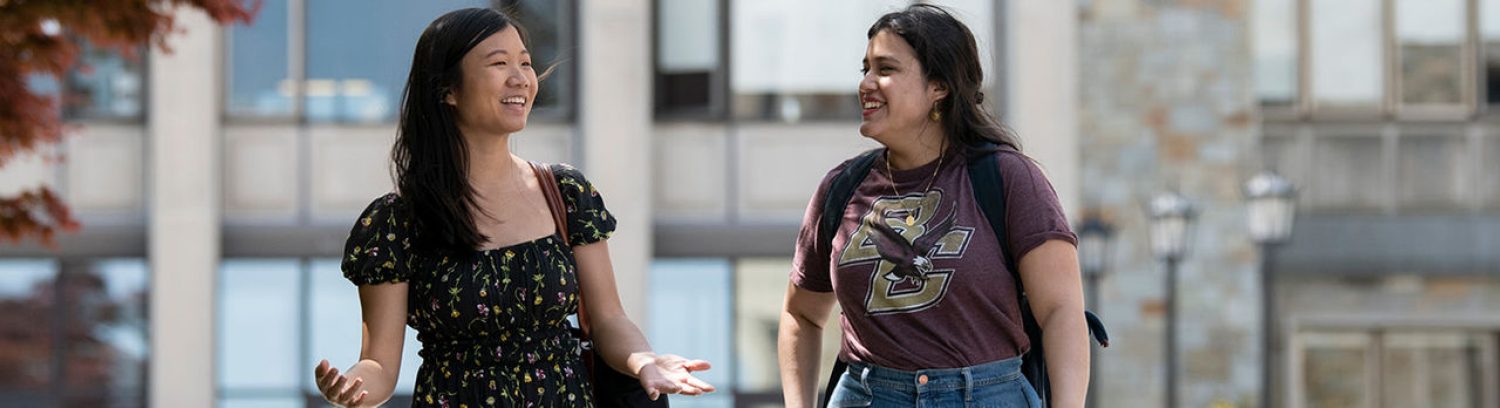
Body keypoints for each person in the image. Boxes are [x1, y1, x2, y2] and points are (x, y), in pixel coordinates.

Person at [311, 8, 714, 407]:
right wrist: (351, 386)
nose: (520, 77)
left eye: (525, 62)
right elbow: (379, 365)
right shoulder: (395, 222)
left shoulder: (566, 192)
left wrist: (644, 360)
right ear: (448, 90)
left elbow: (608, 319)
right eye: (499, 63)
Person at [777, 4, 1089, 408]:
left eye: (885, 69)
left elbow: (1061, 311)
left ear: (938, 86)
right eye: (865, 69)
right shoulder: (841, 189)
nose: (866, 84)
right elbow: (800, 315)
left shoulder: (1007, 178)